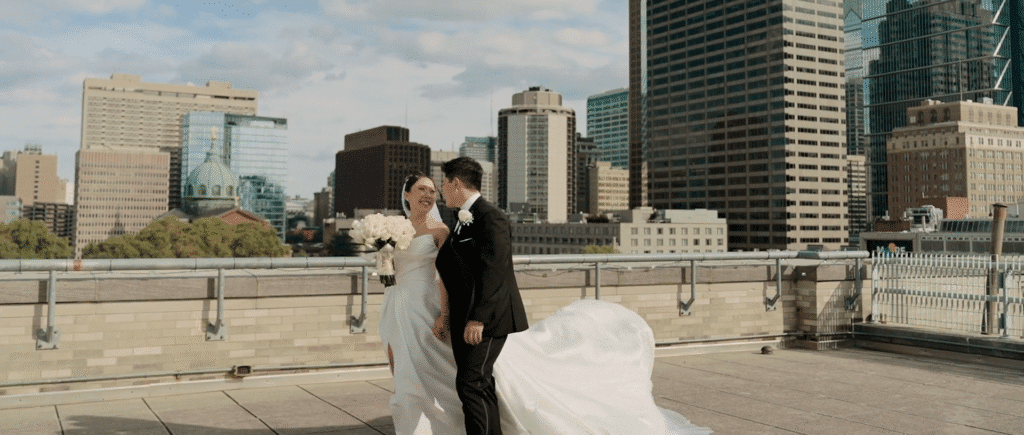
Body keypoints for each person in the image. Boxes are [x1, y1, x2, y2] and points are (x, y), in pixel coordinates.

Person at [381, 169, 713, 434]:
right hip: (398, 302)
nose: (429, 194)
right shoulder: (395, 227)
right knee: (409, 367)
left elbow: (453, 274)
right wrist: (382, 259)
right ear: (406, 195)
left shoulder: (444, 228)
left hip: (433, 308)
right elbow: (399, 267)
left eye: (433, 189)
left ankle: (445, 424)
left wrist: (452, 315)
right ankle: (415, 421)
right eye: (421, 189)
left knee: (450, 373)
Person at [435, 157, 530, 435]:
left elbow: (494, 271)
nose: (442, 189)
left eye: (443, 183)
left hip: (486, 318)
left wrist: (478, 318)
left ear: (455, 183)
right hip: (466, 314)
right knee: (479, 384)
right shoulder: (462, 217)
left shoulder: (491, 216)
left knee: (470, 383)